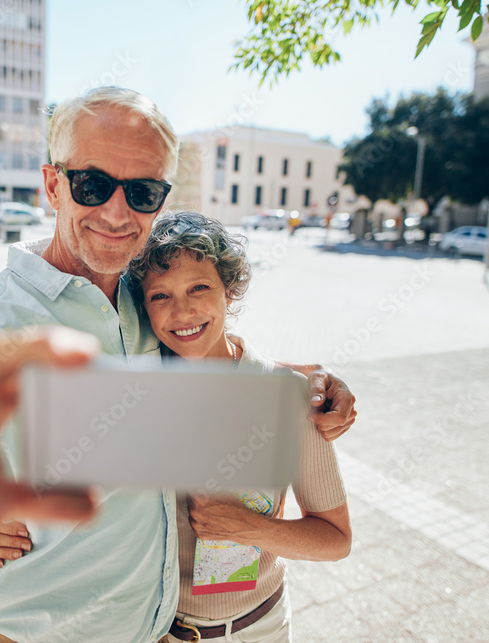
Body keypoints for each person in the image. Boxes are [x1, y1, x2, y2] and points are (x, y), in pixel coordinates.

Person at [0, 87, 357, 642]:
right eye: (93, 184)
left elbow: (210, 351)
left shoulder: (148, 299)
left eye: (143, 192)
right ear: (53, 185)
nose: (118, 212)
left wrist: (307, 380)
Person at [129, 211, 350, 642]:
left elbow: (336, 538)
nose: (183, 311)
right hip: (155, 630)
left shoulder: (287, 399)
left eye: (199, 287)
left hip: (257, 629)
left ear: (229, 292)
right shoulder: (136, 393)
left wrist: (252, 529)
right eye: (160, 296)